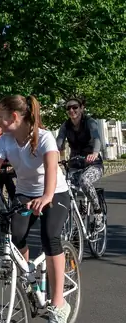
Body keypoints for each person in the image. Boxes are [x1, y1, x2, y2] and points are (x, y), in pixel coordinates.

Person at [0, 95, 71, 323]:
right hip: (25, 194)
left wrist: (46, 196)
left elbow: (52, 168)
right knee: (16, 236)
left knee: (50, 237)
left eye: (0, 116)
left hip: (55, 192)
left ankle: (58, 305)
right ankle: (27, 278)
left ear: (14, 117)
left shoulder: (44, 137)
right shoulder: (5, 140)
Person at [56, 97, 104, 231]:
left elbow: (97, 138)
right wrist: (53, 154)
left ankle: (98, 212)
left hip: (93, 164)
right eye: (68, 108)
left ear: (81, 108)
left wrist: (94, 153)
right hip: (75, 164)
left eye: (75, 107)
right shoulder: (65, 126)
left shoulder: (89, 122)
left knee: (84, 180)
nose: (71, 110)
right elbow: (59, 142)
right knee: (64, 187)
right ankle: (74, 219)